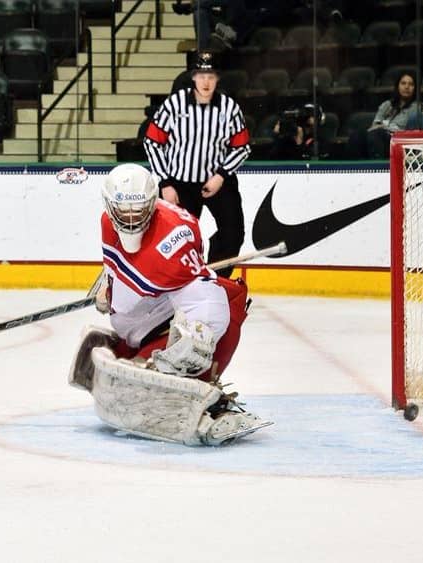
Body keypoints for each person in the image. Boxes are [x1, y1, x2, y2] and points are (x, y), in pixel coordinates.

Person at [69, 163, 269, 446]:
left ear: (152, 203)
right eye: (122, 210)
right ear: (109, 205)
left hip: (178, 309)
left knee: (213, 308)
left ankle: (196, 382)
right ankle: (141, 352)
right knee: (137, 323)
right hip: (147, 316)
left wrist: (195, 338)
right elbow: (120, 264)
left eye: (137, 209)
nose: (129, 217)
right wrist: (108, 284)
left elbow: (199, 290)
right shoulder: (106, 222)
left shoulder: (176, 234)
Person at [143, 52, 250, 278]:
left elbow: (242, 146)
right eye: (201, 75)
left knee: (233, 234)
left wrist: (221, 175)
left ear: (217, 78)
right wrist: (165, 182)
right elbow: (152, 141)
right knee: (172, 240)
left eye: (211, 76)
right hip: (179, 184)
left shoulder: (229, 108)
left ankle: (215, 280)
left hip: (218, 182)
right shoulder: (175, 104)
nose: (206, 82)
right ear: (193, 77)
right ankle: (173, 285)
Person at [350, 72, 421, 158]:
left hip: (397, 140)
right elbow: (375, 124)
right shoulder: (387, 105)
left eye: (411, 84)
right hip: (380, 135)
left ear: (415, 88)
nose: (406, 87)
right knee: (357, 136)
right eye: (403, 83)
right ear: (397, 86)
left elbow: (404, 129)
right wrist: (381, 127)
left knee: (376, 134)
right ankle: (358, 168)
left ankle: (377, 167)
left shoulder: (416, 108)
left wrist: (382, 127)